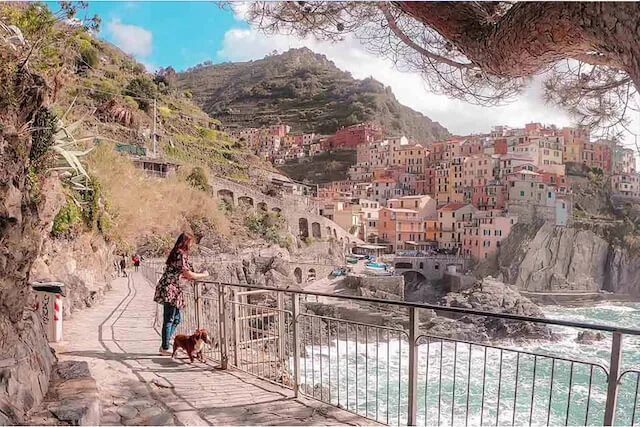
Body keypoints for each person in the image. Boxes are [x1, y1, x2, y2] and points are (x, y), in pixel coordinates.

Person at [154, 232, 209, 356]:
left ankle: (167, 343)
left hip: (171, 286)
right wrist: (203, 275)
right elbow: (187, 273)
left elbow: (178, 272)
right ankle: (165, 346)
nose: (191, 244)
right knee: (169, 319)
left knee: (177, 319)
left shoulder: (176, 252)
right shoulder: (180, 253)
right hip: (171, 288)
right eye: (190, 242)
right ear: (186, 242)